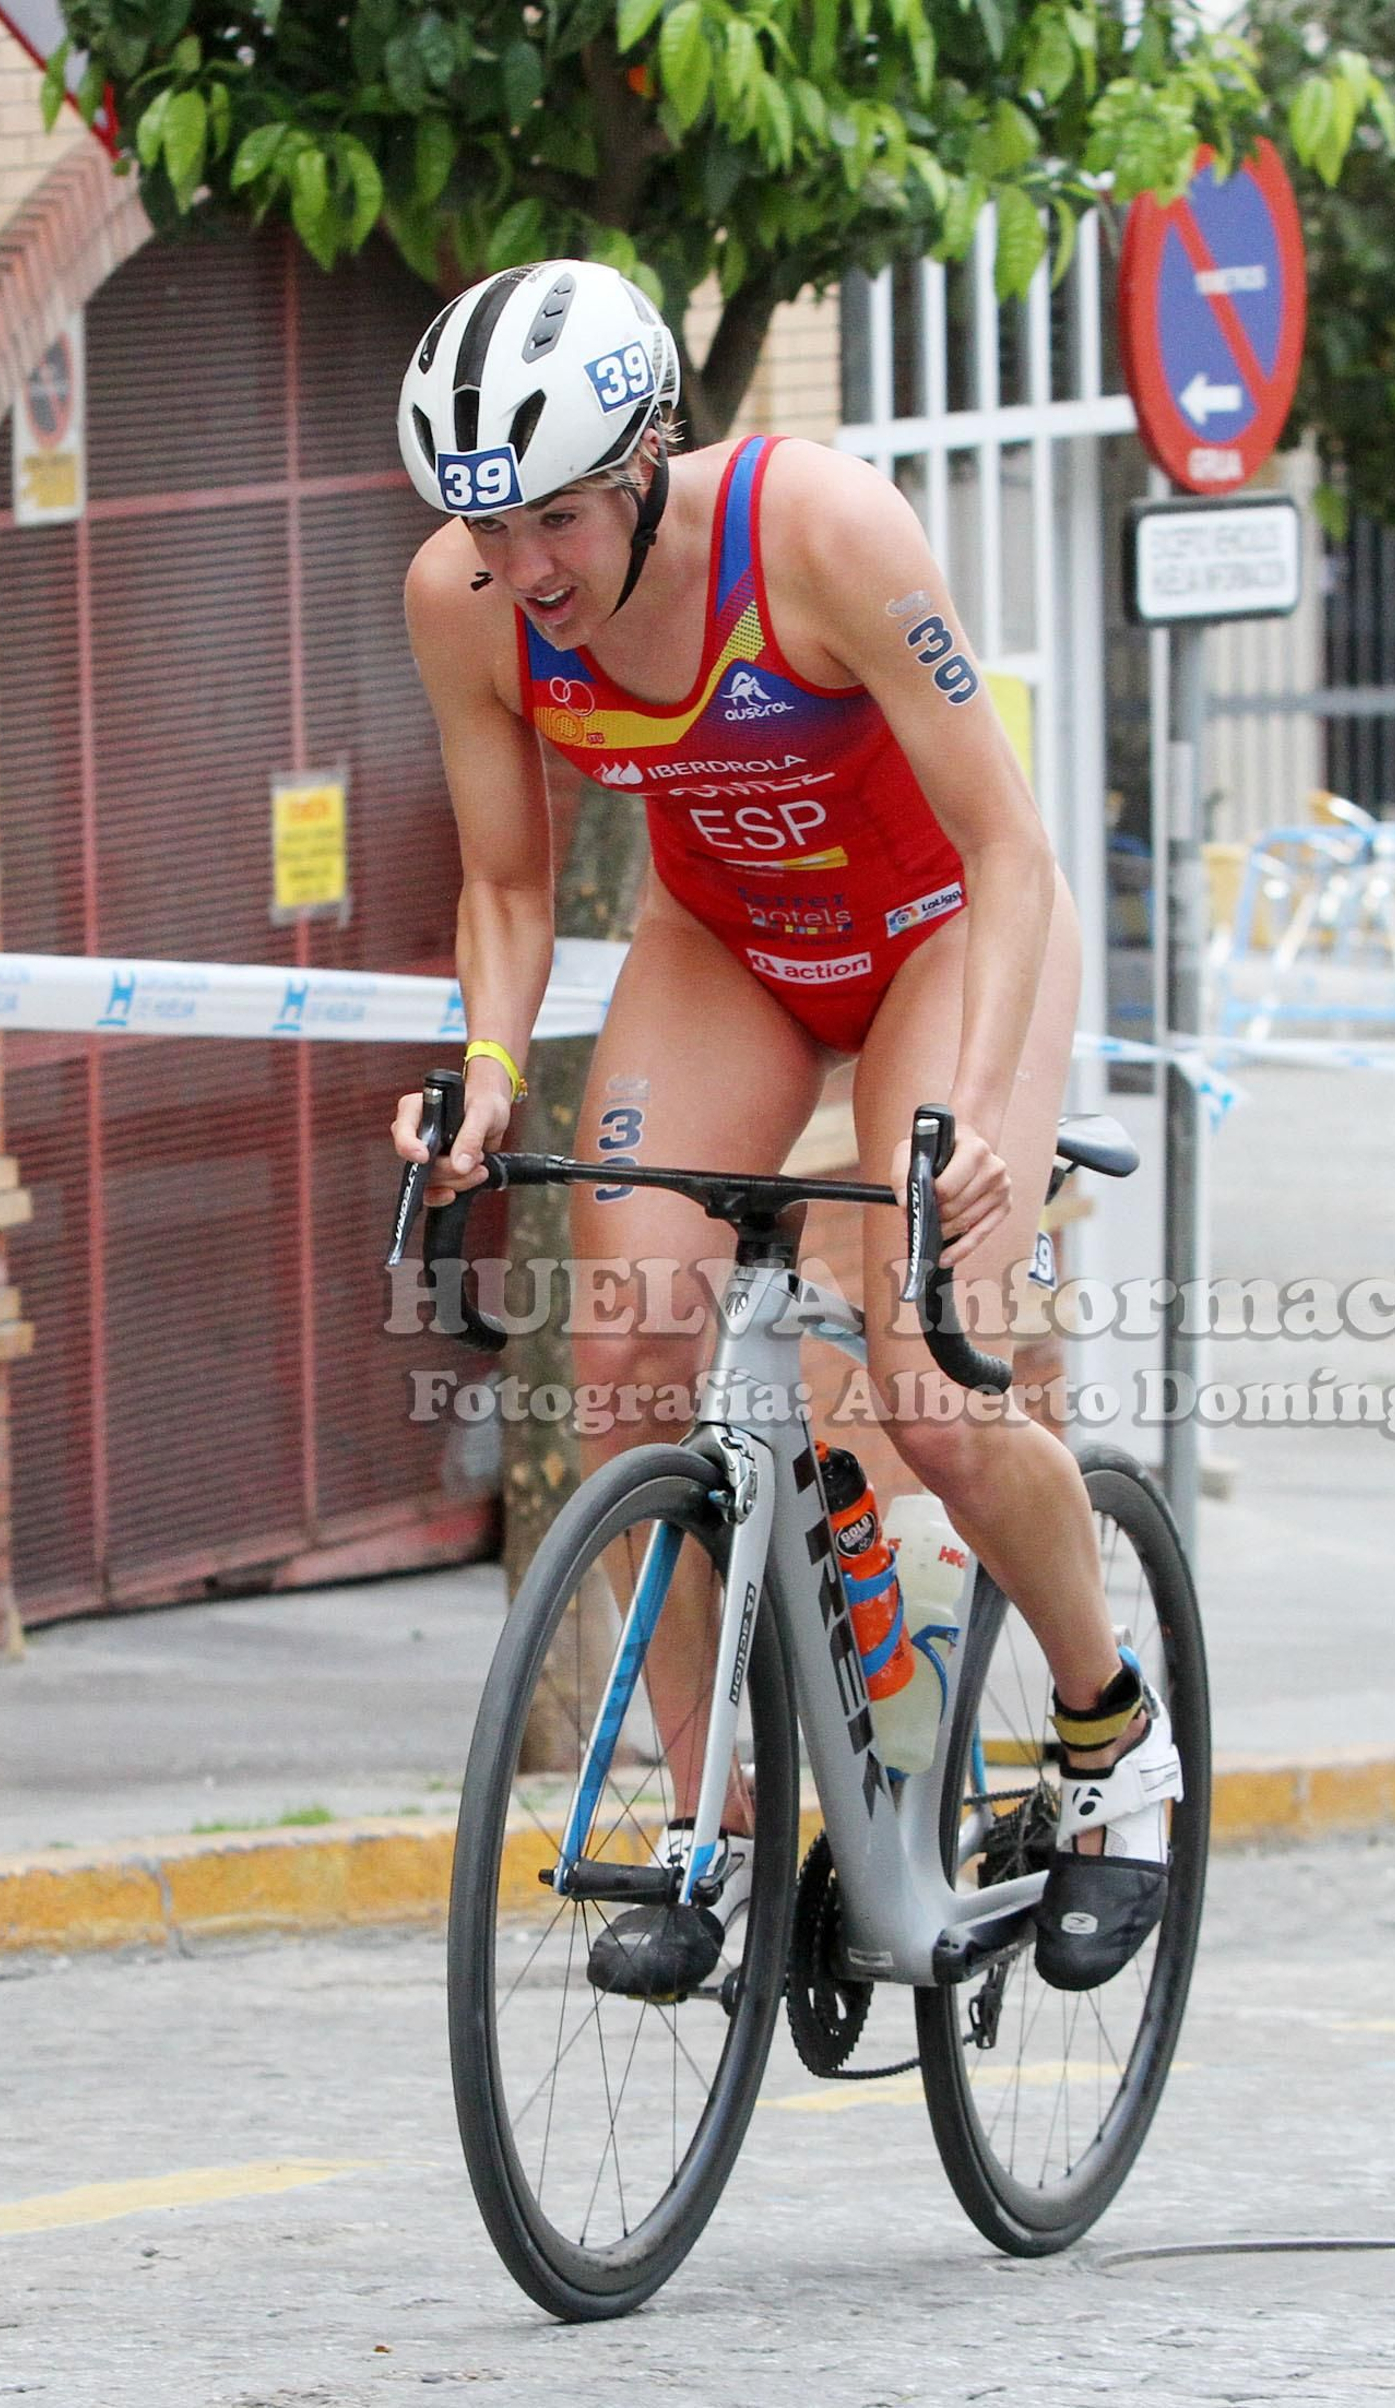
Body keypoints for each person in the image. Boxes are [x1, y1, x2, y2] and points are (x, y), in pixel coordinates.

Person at [390, 258, 1180, 1996]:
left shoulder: (818, 532)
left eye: (554, 521)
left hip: (942, 937)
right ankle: (718, 1826)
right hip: (731, 946)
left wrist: (978, 1118)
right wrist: (492, 1067)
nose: (523, 570)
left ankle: (1112, 1739)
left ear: (649, 454)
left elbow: (1013, 852)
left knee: (933, 1393)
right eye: (481, 526)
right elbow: (510, 885)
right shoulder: (461, 601)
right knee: (626, 1368)